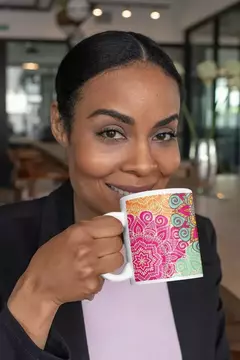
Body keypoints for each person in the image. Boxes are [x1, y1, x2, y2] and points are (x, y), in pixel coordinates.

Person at [0, 31, 229, 360]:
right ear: (60, 125)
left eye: (163, 134)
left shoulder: (193, 234)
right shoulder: (7, 240)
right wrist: (38, 295)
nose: (143, 165)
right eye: (111, 132)